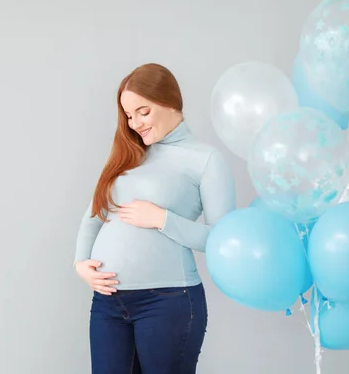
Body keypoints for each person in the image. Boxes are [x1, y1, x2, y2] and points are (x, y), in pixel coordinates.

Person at [73, 63, 236, 374]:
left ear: (170, 101)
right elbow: (94, 215)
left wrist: (163, 219)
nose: (134, 124)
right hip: (109, 304)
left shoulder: (205, 160)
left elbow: (223, 240)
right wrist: (81, 263)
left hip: (168, 302)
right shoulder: (127, 155)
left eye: (142, 112)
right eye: (129, 116)